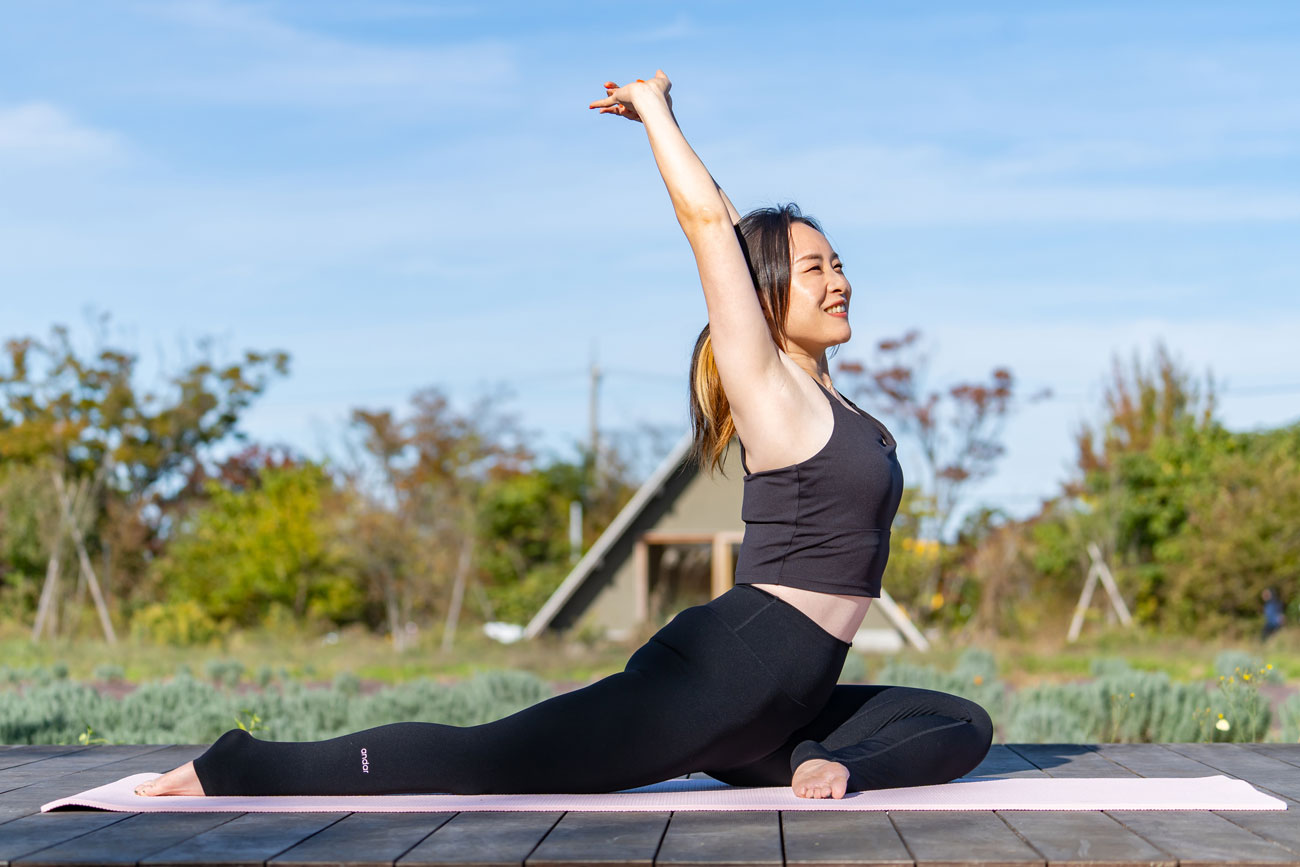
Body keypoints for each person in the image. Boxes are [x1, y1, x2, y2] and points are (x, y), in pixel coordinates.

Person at [136, 70, 993, 801]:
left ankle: (812, 756)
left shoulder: (832, 401)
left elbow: (728, 224)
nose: (839, 280)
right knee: (490, 759)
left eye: (839, 262)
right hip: (727, 674)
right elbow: (711, 233)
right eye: (815, 268)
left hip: (793, 695)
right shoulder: (767, 387)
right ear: (768, 294)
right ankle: (236, 764)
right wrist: (655, 111)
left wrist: (681, 129)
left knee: (961, 722)